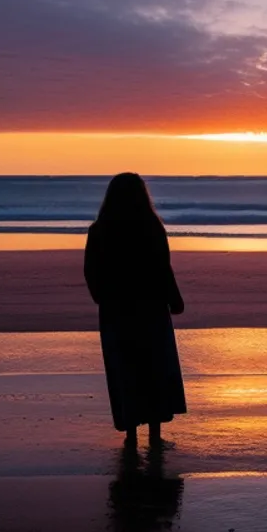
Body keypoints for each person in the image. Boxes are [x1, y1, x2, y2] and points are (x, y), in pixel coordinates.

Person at [84, 173, 187, 445]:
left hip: (116, 310)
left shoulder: (100, 229)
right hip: (150, 307)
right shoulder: (151, 226)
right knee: (153, 366)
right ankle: (155, 431)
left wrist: (102, 297)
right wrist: (174, 300)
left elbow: (91, 271)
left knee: (125, 367)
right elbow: (163, 268)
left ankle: (130, 430)